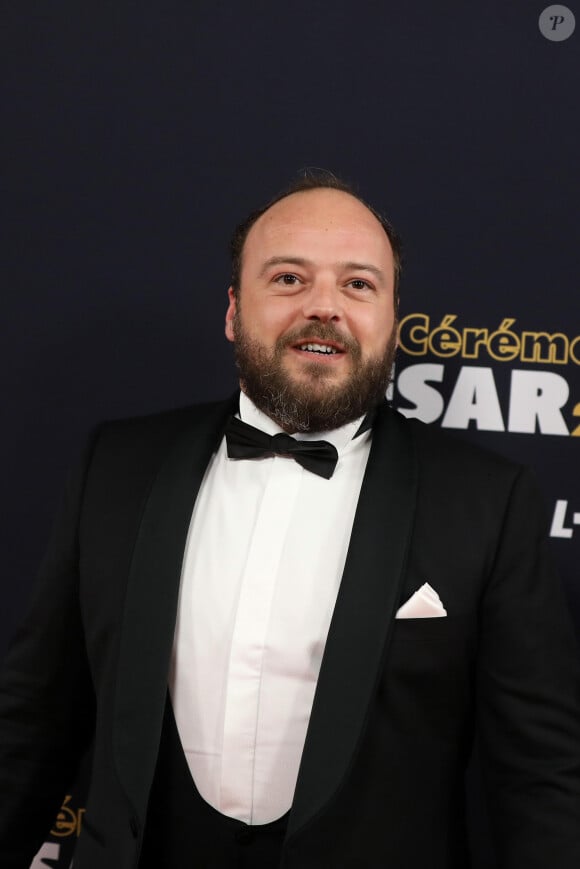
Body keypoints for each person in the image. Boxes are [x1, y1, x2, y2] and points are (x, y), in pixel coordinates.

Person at [1, 172, 580, 869]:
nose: (324, 306)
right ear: (232, 310)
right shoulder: (117, 467)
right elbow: (33, 722)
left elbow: (541, 778)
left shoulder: (487, 501)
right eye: (288, 278)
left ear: (394, 322)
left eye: (358, 284)